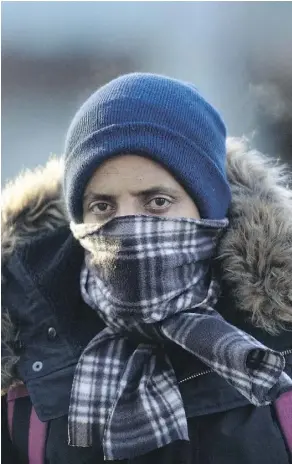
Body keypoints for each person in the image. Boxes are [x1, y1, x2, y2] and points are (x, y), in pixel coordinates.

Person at [1, 73, 292, 464]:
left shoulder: (278, 341)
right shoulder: (24, 360)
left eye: (157, 201)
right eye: (102, 206)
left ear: (207, 207)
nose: (128, 229)